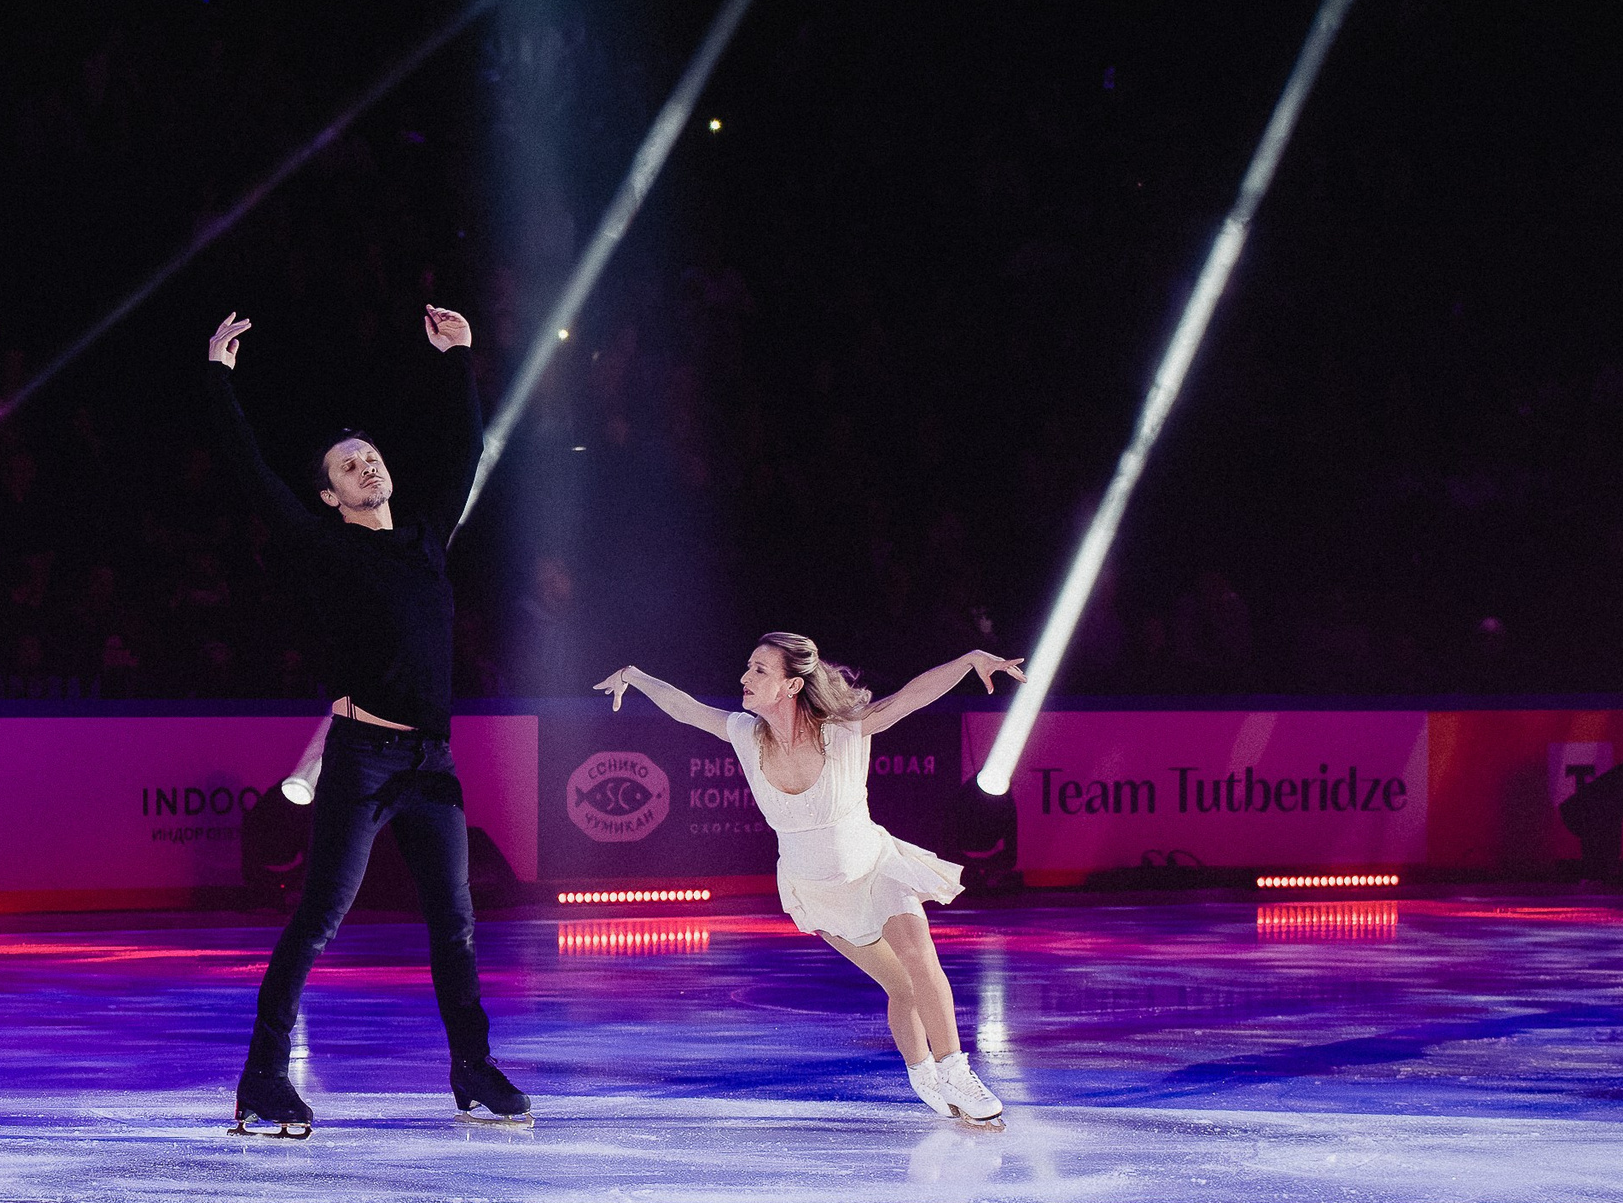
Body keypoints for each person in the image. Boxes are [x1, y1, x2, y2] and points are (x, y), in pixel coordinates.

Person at [204, 304, 527, 1137]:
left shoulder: (425, 540)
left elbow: (469, 452)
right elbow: (251, 473)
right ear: (330, 492)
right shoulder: (327, 548)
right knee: (318, 917)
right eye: (350, 465)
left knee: (455, 921)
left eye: (373, 457)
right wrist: (219, 380)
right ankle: (262, 1080)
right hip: (363, 758)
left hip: (434, 765)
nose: (368, 467)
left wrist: (458, 359)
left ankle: (471, 1067)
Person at [595, 633, 1022, 1124]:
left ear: (792, 685)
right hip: (817, 891)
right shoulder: (744, 734)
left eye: (759, 670)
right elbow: (686, 709)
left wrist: (969, 660)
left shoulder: (844, 730)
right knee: (901, 987)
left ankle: (956, 1070)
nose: (744, 678)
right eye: (748, 667)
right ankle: (924, 1075)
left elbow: (909, 697)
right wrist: (633, 674)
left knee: (918, 955)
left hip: (874, 865)